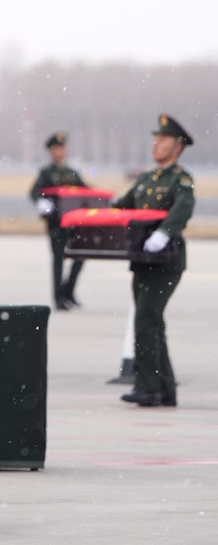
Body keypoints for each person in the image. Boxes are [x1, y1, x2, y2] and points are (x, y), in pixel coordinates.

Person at [112, 113, 195, 408]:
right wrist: (94, 209)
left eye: (163, 140)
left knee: (146, 318)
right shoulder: (147, 178)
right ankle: (164, 389)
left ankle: (148, 387)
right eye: (156, 139)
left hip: (167, 259)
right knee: (152, 321)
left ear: (178, 147)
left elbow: (183, 208)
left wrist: (164, 232)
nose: (156, 144)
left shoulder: (180, 178)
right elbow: (122, 204)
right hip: (142, 259)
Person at [28, 131, 87, 309]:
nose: (60, 152)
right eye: (56, 148)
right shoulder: (46, 173)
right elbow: (34, 192)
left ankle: (69, 291)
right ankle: (58, 296)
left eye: (62, 148)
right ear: (51, 151)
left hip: (74, 222)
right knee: (58, 259)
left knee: (80, 256)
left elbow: (85, 190)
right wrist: (41, 202)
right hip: (56, 222)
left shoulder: (72, 173)